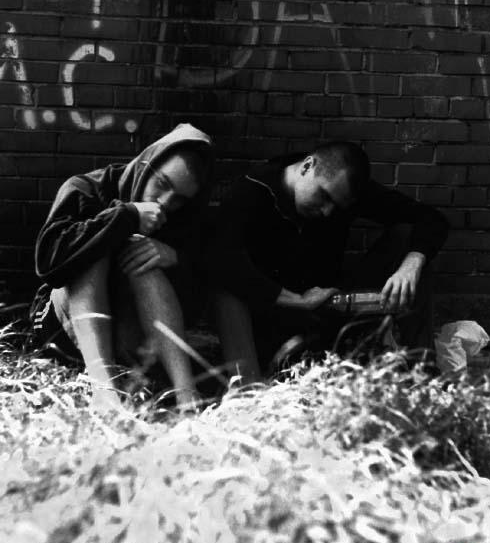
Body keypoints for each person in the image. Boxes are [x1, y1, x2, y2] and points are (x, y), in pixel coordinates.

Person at [203, 141, 449, 381]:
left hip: (330, 309)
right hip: (274, 316)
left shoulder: (344, 186)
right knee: (227, 286)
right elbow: (222, 262)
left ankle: (424, 373)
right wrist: (297, 300)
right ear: (307, 167)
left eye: (336, 205)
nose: (327, 211)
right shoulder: (251, 191)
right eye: (324, 196)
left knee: (408, 240)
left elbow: (431, 219)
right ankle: (246, 386)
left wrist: (410, 265)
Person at [30, 123, 214, 410]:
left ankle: (186, 394)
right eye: (162, 183)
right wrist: (125, 216)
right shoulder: (85, 188)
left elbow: (209, 282)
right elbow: (48, 264)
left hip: (131, 339)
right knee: (96, 248)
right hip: (66, 330)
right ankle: (104, 391)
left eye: (179, 198)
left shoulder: (185, 217)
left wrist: (175, 257)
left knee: (144, 257)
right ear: (146, 164)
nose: (166, 202)